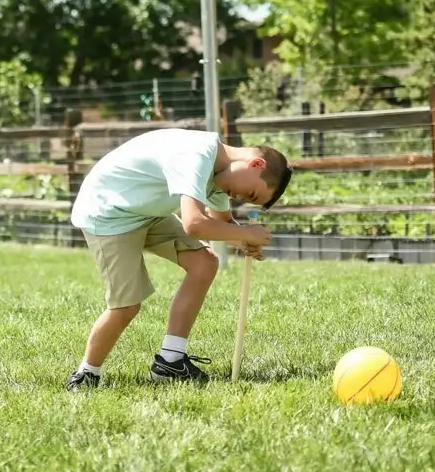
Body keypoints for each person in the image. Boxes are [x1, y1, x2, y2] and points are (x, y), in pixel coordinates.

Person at [65, 127, 292, 390]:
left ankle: (169, 362)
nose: (238, 198)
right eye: (250, 194)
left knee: (204, 262)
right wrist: (244, 232)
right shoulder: (196, 156)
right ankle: (85, 375)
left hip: (146, 210)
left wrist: (244, 240)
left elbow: (222, 223)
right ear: (255, 164)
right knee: (126, 306)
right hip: (109, 212)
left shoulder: (220, 176)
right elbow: (194, 224)